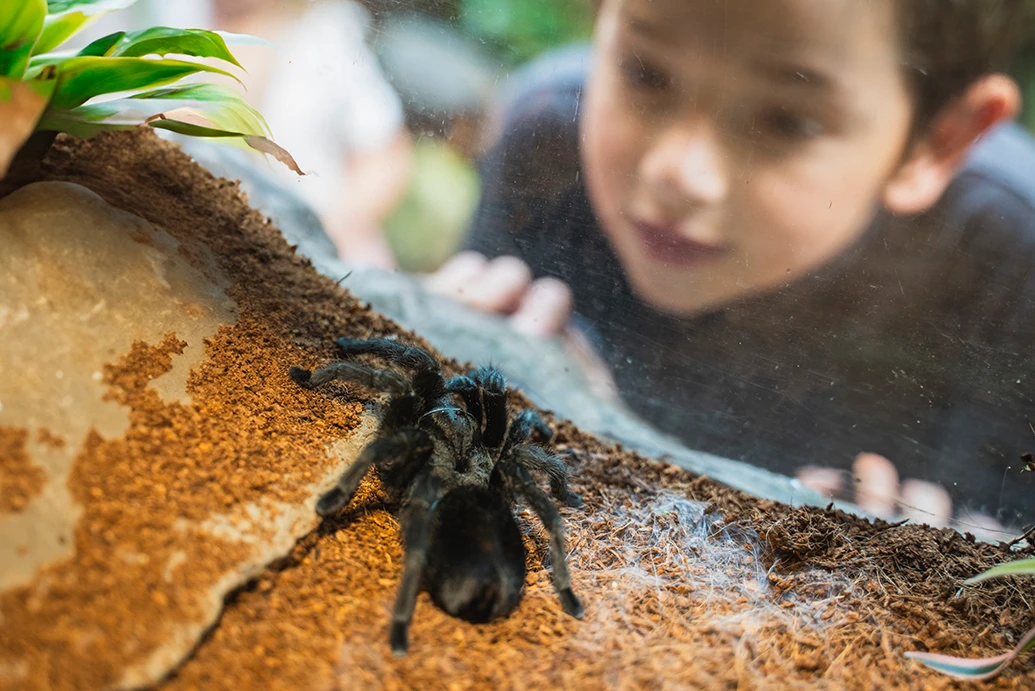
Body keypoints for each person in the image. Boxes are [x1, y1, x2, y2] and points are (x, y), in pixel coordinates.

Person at [427, 0, 1035, 533]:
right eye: (646, 72)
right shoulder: (550, 138)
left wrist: (942, 549)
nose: (680, 174)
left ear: (939, 140)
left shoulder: (1014, 262)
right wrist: (447, 336)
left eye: (787, 121)